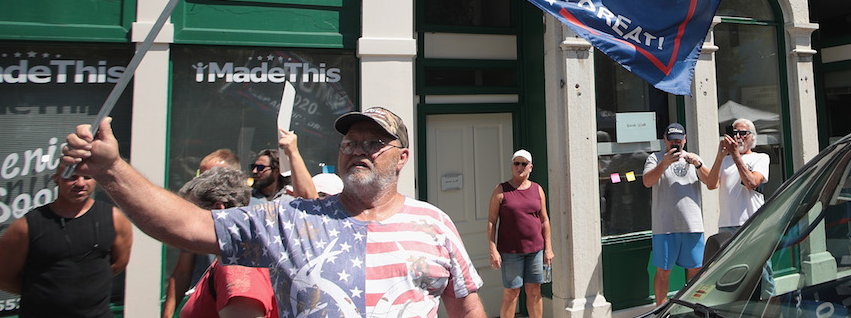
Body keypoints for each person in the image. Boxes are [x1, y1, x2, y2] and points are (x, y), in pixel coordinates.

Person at [62, 107, 486, 318]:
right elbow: (188, 226)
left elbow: (467, 310)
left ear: (403, 157)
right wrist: (112, 171)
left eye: (374, 143)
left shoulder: (434, 224)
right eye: (350, 142)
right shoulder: (291, 218)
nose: (358, 149)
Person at [0, 163, 134, 318]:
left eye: (87, 177)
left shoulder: (114, 219)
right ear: (57, 179)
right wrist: (44, 294)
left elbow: (118, 263)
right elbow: (3, 278)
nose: (80, 183)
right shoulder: (26, 226)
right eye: (72, 177)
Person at [177, 167, 277, 318]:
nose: (183, 224)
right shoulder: (234, 258)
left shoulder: (235, 264)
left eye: (191, 214)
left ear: (217, 209)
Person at [163, 148, 246, 318]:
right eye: (201, 174)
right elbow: (182, 272)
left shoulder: (258, 217)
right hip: (199, 304)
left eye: (210, 176)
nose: (202, 182)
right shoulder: (197, 217)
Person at [641, 123, 713, 306]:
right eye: (672, 139)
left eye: (679, 140)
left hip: (693, 224)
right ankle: (661, 310)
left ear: (685, 139)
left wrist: (699, 164)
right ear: (665, 139)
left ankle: (691, 308)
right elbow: (647, 182)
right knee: (664, 271)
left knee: (696, 270)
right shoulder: (655, 158)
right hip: (665, 226)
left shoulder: (693, 158)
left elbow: (711, 182)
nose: (676, 143)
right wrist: (664, 163)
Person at [487, 149, 554, 318]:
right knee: (512, 292)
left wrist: (548, 249)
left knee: (534, 290)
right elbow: (492, 221)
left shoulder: (537, 190)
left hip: (535, 250)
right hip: (511, 252)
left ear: (530, 167)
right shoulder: (501, 190)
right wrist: (492, 249)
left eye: (524, 163)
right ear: (512, 166)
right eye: (516, 163)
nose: (520, 167)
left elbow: (544, 220)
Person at [704, 118, 769, 265]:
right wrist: (720, 156)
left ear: (752, 137)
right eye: (735, 133)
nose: (738, 137)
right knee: (729, 268)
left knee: (760, 268)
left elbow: (751, 182)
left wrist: (735, 155)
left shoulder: (760, 158)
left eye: (743, 133)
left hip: (752, 222)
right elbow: (711, 184)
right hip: (727, 224)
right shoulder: (726, 161)